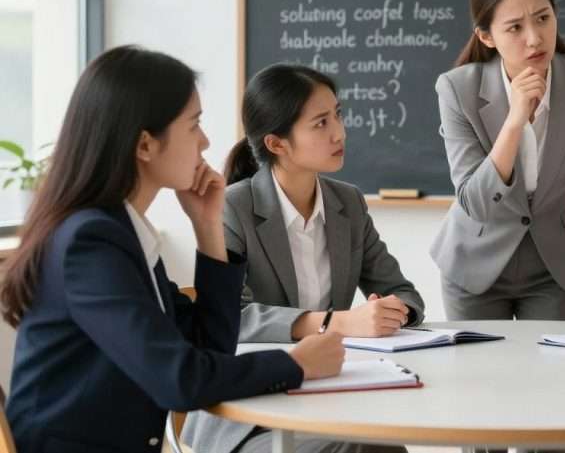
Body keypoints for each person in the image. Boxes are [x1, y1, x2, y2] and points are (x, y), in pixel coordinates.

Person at [1, 46, 343, 453]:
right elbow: (179, 380)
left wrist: (207, 227)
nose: (206, 141)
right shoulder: (90, 243)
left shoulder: (122, 232)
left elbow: (208, 347)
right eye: (193, 124)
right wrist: (297, 363)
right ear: (145, 145)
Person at [183, 63, 424, 453]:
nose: (339, 132)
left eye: (338, 115)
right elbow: (233, 316)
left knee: (382, 447)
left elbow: (403, 291)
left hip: (329, 395)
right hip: (248, 413)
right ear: (277, 144)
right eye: (320, 123)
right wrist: (336, 322)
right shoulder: (234, 207)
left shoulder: (348, 203)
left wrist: (394, 311)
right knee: (357, 449)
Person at [431, 0, 565, 325]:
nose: (534, 38)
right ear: (487, 36)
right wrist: (514, 121)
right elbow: (474, 201)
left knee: (552, 378)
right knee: (479, 379)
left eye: (543, 18)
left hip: (556, 267)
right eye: (514, 27)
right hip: (474, 263)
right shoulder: (457, 89)